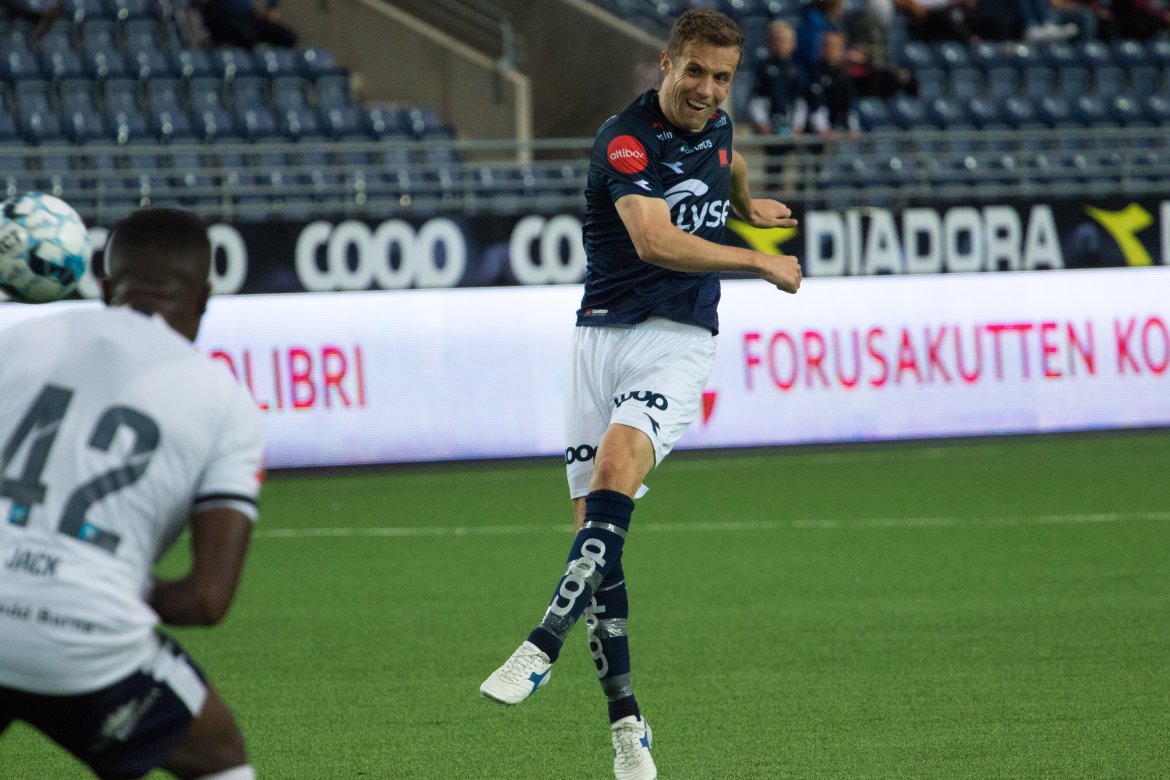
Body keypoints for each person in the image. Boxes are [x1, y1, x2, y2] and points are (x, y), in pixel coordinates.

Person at [479, 9, 802, 780]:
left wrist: (744, 205)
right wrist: (756, 257)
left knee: (617, 475)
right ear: (666, 63)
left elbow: (725, 163)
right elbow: (655, 240)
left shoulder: (715, 124)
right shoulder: (623, 141)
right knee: (600, 539)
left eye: (722, 78)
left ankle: (541, 642)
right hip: (598, 341)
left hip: (678, 338)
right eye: (696, 71)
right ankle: (628, 723)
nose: (708, 90)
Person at [0, 208, 264, 780]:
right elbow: (205, 600)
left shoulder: (19, 344)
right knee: (220, 759)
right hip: (87, 643)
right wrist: (97, 579)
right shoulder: (225, 402)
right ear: (204, 297)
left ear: (104, 282)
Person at [198, 0, 297, 49]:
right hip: (223, 18)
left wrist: (272, 6)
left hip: (248, 16)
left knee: (288, 37)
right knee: (247, 36)